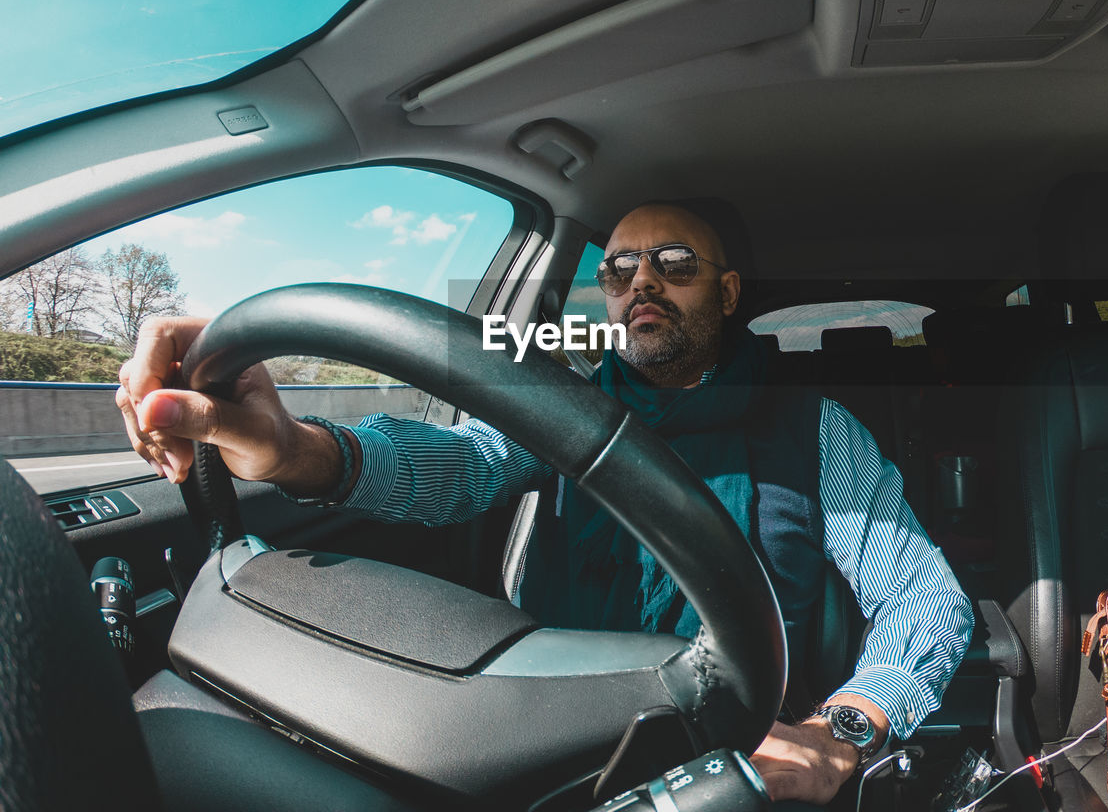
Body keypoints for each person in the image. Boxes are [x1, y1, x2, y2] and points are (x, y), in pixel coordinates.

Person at [116, 200, 973, 807]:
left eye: (675, 263)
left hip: (740, 752)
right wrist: (299, 451)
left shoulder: (814, 427)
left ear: (729, 292)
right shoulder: (562, 408)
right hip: (545, 739)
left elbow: (923, 598)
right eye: (620, 266)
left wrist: (847, 727)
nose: (642, 281)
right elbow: (457, 466)